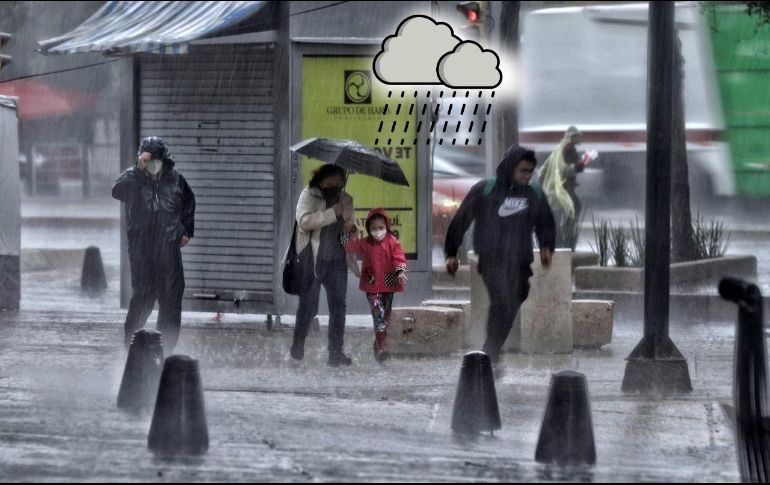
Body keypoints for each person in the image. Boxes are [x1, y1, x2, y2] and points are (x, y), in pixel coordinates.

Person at [444, 145, 556, 368]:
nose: (526, 176)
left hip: (521, 261)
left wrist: (546, 245)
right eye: (522, 170)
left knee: (516, 298)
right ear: (510, 167)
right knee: (502, 301)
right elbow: (461, 219)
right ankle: (491, 355)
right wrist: (451, 252)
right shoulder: (486, 189)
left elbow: (545, 221)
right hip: (491, 259)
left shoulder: (533, 193)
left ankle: (490, 351)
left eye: (530, 171)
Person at [112, 137, 196, 351]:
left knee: (171, 300)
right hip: (143, 253)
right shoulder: (132, 178)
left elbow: (188, 203)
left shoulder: (176, 180)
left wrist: (186, 230)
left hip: (169, 253)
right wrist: (138, 171)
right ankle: (131, 349)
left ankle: (165, 350)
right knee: (142, 300)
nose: (153, 165)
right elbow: (117, 191)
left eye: (156, 160)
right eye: (148, 160)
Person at [289, 164, 358, 367]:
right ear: (321, 180)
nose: (334, 187)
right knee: (309, 307)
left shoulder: (346, 199)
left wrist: (351, 226)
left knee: (338, 307)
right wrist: (331, 214)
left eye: (338, 184)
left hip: (337, 260)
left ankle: (335, 352)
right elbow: (303, 221)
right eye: (330, 183)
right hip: (313, 259)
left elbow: (352, 224)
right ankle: (298, 344)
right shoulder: (308, 196)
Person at [343, 208, 408, 363]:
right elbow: (351, 247)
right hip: (372, 284)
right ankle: (382, 347)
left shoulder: (393, 242)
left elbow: (399, 258)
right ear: (369, 229)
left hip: (389, 282)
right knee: (378, 312)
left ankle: (379, 342)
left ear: (386, 226)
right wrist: (345, 236)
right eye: (374, 229)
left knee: (385, 315)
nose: (378, 232)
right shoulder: (365, 243)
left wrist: (400, 272)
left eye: (381, 228)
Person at [538, 125, 586, 247]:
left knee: (562, 215)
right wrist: (577, 167)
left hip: (556, 190)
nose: (581, 139)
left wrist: (544, 186)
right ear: (573, 137)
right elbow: (563, 170)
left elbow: (542, 171)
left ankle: (561, 243)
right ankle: (564, 244)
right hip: (561, 191)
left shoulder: (559, 149)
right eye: (578, 136)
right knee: (571, 210)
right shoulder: (568, 149)